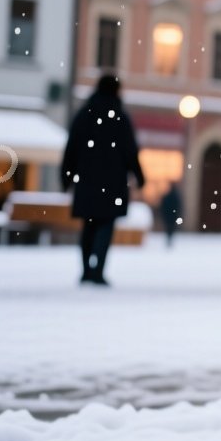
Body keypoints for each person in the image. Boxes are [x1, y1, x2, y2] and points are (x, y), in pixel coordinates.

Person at [60, 74, 144, 286]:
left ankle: (86, 270)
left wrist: (66, 178)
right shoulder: (120, 117)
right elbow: (130, 151)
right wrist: (139, 176)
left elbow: (71, 149)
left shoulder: (84, 114)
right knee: (105, 227)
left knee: (88, 227)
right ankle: (97, 270)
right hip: (112, 183)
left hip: (87, 181)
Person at [159, 183, 183, 249]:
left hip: (169, 215)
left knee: (169, 228)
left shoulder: (168, 196)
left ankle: (169, 239)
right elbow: (178, 206)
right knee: (171, 228)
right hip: (171, 215)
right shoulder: (174, 196)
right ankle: (169, 239)